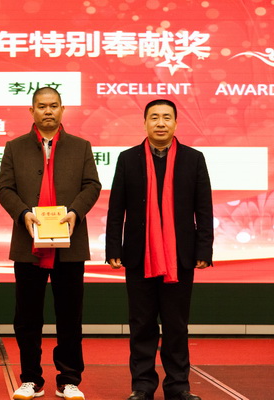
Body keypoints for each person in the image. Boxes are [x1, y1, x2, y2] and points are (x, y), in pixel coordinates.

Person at [0, 87, 101, 400]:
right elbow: (5, 189)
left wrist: (75, 212)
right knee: (27, 318)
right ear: (32, 111)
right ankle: (30, 379)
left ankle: (69, 380)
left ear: (62, 109)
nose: (48, 111)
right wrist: (23, 214)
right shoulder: (15, 147)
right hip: (28, 244)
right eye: (41, 106)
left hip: (70, 245)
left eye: (53, 106)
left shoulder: (80, 146)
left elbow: (92, 185)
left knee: (70, 316)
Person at [105, 99, 213, 400]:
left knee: (176, 325)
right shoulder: (128, 159)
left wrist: (204, 249)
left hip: (180, 256)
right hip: (139, 255)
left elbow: (204, 208)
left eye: (167, 117)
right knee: (142, 325)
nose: (161, 123)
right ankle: (142, 386)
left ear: (176, 123)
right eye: (154, 117)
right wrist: (113, 246)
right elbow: (116, 208)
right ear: (145, 123)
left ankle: (178, 386)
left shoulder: (193, 159)